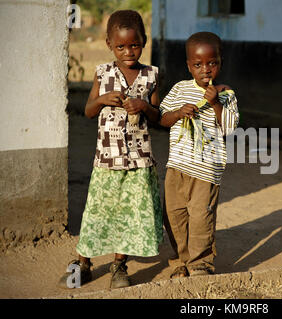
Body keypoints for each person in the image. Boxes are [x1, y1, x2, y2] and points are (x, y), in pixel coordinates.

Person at [59, 10, 163, 289]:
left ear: (144, 41)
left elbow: (158, 117)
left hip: (139, 162)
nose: (128, 51)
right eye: (120, 46)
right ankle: (84, 264)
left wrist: (144, 106)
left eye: (134, 45)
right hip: (107, 160)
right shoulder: (102, 73)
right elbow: (88, 111)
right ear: (109, 44)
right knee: (97, 212)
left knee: (130, 216)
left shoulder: (151, 75)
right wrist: (104, 98)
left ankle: (119, 265)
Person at [159, 31, 239, 278]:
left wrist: (216, 103)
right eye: (198, 64)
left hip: (206, 169)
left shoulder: (226, 94)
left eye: (212, 63)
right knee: (174, 215)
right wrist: (178, 113)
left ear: (220, 63)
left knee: (201, 217)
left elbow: (229, 127)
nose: (206, 69)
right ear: (188, 66)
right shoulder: (180, 89)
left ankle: (200, 263)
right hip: (177, 166)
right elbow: (162, 118)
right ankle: (180, 262)